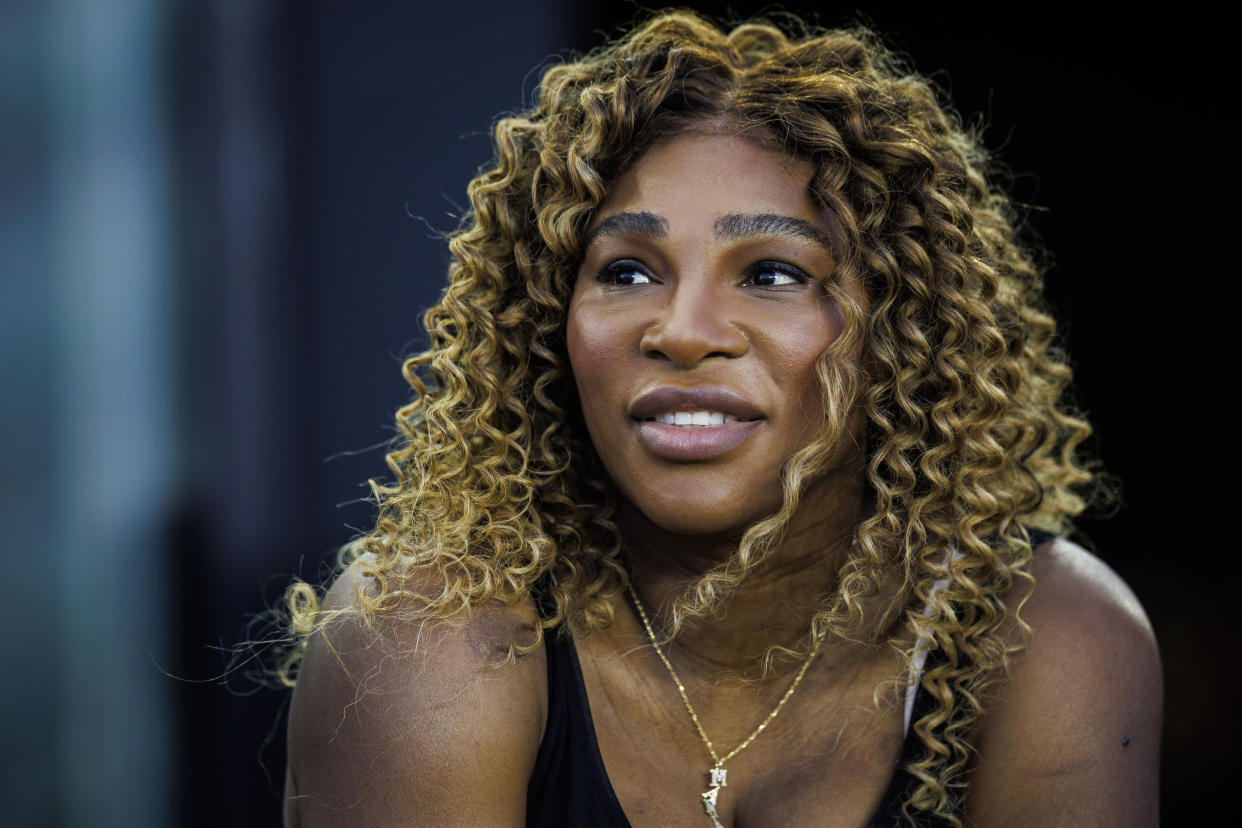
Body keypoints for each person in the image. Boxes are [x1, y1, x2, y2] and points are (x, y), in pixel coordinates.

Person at [281, 10, 1161, 826]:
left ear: (904, 329)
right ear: (552, 323)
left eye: (772, 273)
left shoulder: (1048, 633)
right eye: (626, 272)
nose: (681, 332)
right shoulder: (428, 638)